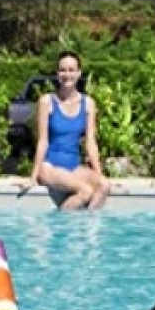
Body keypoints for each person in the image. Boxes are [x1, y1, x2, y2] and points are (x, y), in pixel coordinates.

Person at [25, 50, 110, 210]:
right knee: (85, 191)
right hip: (50, 167)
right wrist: (33, 176)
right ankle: (60, 222)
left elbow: (90, 142)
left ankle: (87, 223)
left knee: (104, 186)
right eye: (63, 70)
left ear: (79, 73)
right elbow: (42, 141)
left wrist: (99, 174)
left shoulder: (88, 103)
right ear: (57, 73)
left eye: (71, 70)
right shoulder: (47, 102)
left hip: (73, 167)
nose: (67, 74)